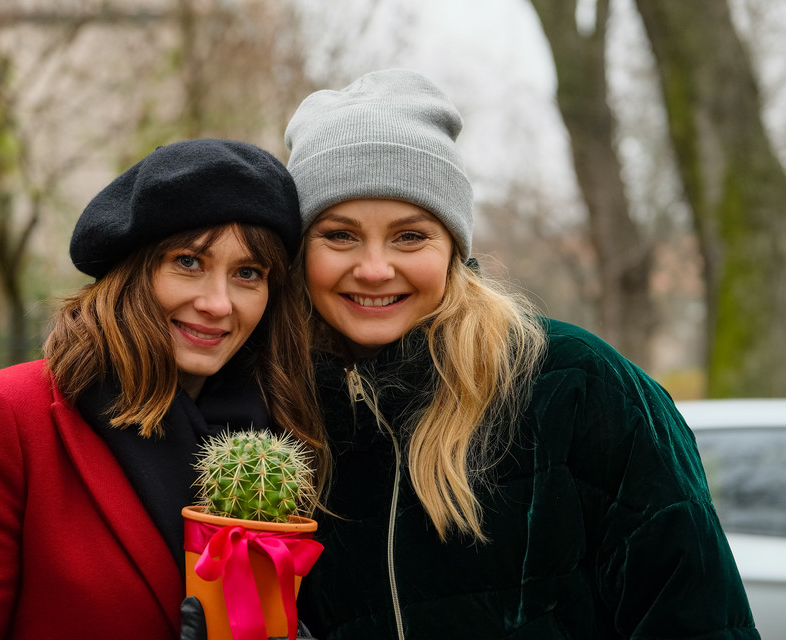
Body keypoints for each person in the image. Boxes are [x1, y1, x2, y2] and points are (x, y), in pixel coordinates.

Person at [283, 69, 759, 639]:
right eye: (339, 235)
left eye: (411, 236)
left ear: (453, 246)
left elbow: (696, 619)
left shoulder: (577, 384)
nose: (376, 268)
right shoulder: (280, 418)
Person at [0, 139, 323, 640]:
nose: (218, 303)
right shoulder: (1, 417)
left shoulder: (284, 433)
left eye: (248, 273)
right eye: (188, 262)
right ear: (132, 272)